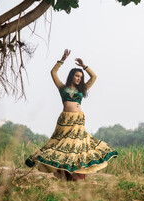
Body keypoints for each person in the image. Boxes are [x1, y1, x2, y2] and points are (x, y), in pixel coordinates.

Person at [25, 49, 118, 181]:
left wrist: (84, 66)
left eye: (80, 77)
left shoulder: (83, 88)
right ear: (71, 76)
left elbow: (94, 77)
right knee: (62, 145)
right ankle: (64, 173)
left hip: (78, 120)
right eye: (77, 76)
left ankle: (77, 174)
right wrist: (62, 59)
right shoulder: (62, 87)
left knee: (77, 146)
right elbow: (53, 72)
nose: (79, 79)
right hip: (65, 120)